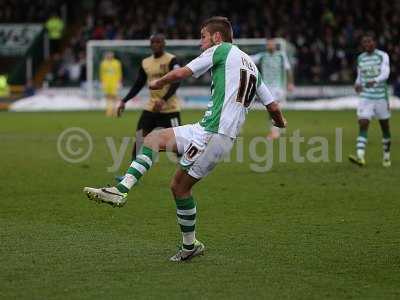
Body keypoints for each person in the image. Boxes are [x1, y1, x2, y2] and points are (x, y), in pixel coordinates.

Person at [84, 17, 287, 262]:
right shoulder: (253, 68)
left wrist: (160, 81)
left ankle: (189, 246)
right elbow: (273, 107)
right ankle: (122, 189)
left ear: (217, 37)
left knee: (180, 187)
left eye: (203, 37)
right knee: (154, 138)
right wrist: (280, 123)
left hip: (215, 135)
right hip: (205, 129)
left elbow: (183, 72)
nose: (201, 43)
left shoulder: (221, 50)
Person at [115, 34, 181, 182]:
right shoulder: (146, 62)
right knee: (139, 138)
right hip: (151, 108)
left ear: (164, 44)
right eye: (153, 42)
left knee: (180, 145)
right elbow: (138, 84)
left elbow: (176, 81)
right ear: (150, 44)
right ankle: (130, 177)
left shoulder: (172, 60)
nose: (156, 44)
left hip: (170, 109)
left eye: (159, 42)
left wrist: (164, 100)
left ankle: (190, 173)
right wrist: (124, 100)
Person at [349, 34, 391, 167]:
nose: (367, 45)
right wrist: (357, 84)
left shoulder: (382, 55)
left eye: (369, 42)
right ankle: (360, 156)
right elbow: (360, 76)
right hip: (366, 97)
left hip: (380, 97)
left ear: (374, 42)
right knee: (363, 123)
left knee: (384, 126)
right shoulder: (361, 58)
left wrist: (375, 80)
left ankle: (386, 155)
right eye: (364, 43)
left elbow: (386, 73)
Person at [251, 38, 294, 140]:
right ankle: (280, 126)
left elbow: (288, 69)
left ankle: (275, 132)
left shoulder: (281, 56)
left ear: (275, 45)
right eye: (268, 44)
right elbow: (249, 59)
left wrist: (290, 83)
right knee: (274, 109)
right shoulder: (262, 56)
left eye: (272, 44)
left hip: (278, 87)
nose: (270, 46)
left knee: (272, 109)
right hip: (267, 88)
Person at [99, 51, 122, 117]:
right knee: (107, 97)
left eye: (111, 55)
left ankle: (115, 111)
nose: (109, 56)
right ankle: (109, 111)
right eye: (108, 55)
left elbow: (119, 73)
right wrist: (102, 82)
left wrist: (119, 82)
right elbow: (101, 73)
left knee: (115, 97)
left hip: (114, 82)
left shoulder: (117, 63)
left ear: (113, 55)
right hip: (106, 83)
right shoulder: (103, 63)